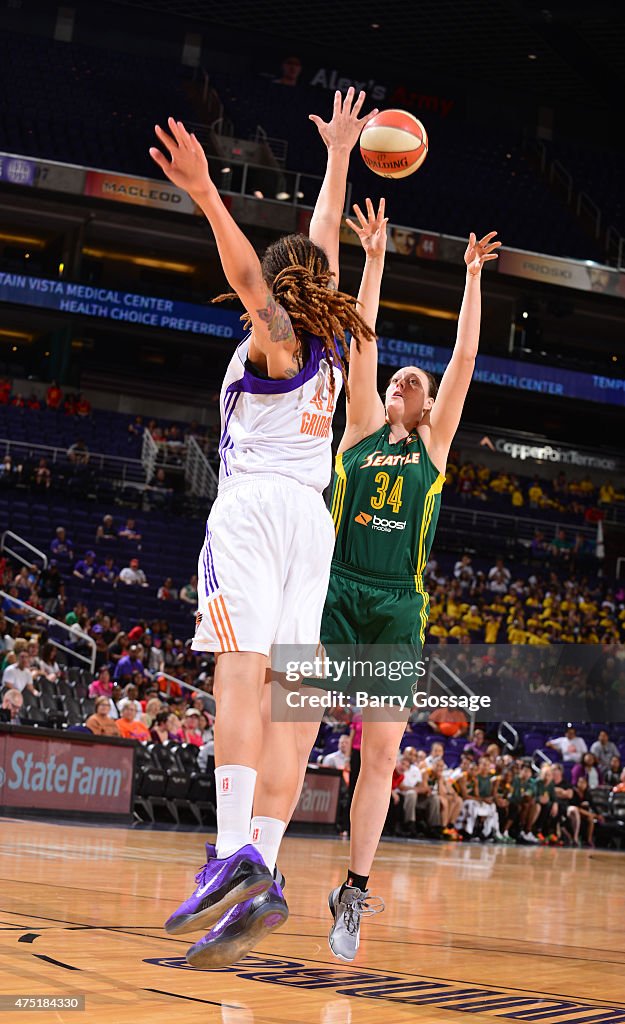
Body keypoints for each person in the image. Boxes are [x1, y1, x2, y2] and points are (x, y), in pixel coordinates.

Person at [149, 90, 379, 968]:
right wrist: (335, 158)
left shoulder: (277, 340)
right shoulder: (328, 349)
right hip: (310, 529)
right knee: (292, 711)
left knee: (237, 680)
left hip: (254, 512)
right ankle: (268, 876)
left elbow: (254, 278)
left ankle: (231, 852)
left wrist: (208, 195)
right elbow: (318, 250)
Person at [288, 209, 500, 959]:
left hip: (395, 609)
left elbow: (465, 359)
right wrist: (372, 258)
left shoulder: (434, 447)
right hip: (332, 590)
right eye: (398, 376)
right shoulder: (357, 430)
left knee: (377, 756)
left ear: (428, 402)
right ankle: (253, 862)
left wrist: (471, 279)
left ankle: (352, 890)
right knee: (294, 727)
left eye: (419, 378)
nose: (406, 376)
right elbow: (363, 337)